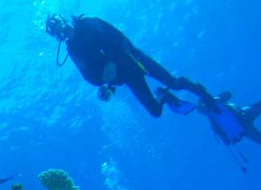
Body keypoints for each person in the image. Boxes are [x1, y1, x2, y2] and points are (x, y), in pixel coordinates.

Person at [45, 14, 207, 117]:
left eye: (59, 25)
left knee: (174, 83)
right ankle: (164, 97)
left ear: (64, 19)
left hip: (134, 59)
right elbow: (90, 76)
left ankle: (204, 95)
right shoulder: (74, 51)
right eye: (56, 32)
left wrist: (111, 61)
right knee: (155, 111)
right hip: (126, 76)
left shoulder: (87, 22)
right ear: (56, 38)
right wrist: (105, 87)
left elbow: (118, 37)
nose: (61, 31)